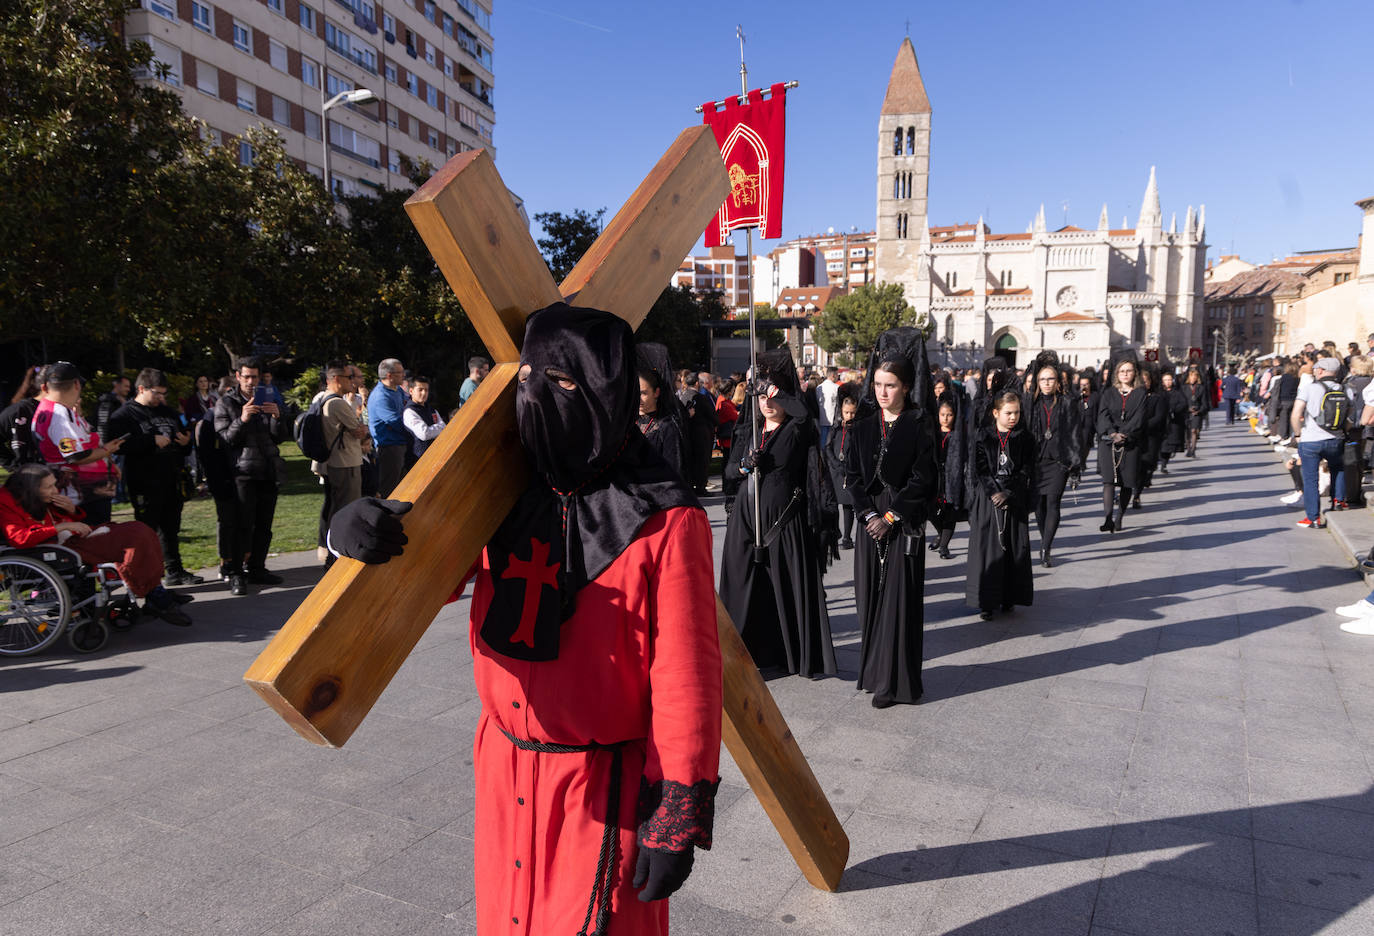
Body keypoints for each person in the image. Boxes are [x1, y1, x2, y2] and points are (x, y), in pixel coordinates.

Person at [328, 302, 722, 936]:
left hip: (603, 789)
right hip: (506, 764)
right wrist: (354, 533)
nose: (539, 395)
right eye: (530, 376)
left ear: (604, 392)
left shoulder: (666, 519)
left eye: (564, 383)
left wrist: (677, 807)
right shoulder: (501, 490)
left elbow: (688, 677)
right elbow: (432, 574)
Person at [720, 349, 836, 681]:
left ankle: (788, 654)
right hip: (746, 517)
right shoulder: (750, 430)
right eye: (760, 397)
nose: (767, 404)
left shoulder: (795, 428)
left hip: (783, 521)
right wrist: (745, 464)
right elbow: (731, 470)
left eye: (772, 397)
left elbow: (803, 413)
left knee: (781, 587)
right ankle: (738, 653)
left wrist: (775, 389)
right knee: (745, 586)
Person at [844, 329, 937, 707]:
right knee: (870, 599)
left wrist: (892, 516)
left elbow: (924, 477)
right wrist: (868, 513)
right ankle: (873, 673)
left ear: (907, 386)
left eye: (891, 385)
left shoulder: (919, 423)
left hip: (903, 518)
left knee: (898, 602)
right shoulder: (864, 424)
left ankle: (894, 684)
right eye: (879, 384)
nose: (883, 392)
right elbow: (851, 474)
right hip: (869, 520)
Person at [0, 464, 191, 626]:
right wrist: (63, 525)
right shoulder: (8, 502)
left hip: (70, 538)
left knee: (140, 529)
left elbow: (67, 519)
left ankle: (154, 591)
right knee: (135, 538)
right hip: (55, 548)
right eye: (48, 487)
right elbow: (20, 537)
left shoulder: (36, 498)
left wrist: (70, 509)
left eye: (54, 485)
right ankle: (155, 595)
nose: (55, 491)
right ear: (31, 489)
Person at [107, 368, 201, 587]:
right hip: (144, 481)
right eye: (156, 393)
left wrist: (186, 444)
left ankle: (174, 570)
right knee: (147, 530)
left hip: (171, 478)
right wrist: (150, 441)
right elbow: (116, 446)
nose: (161, 398)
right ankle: (149, 578)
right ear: (141, 389)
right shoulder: (123, 415)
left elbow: (182, 437)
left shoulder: (167, 412)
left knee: (171, 528)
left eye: (163, 394)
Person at [214, 357, 288, 595]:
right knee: (242, 525)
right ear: (237, 376)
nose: (250, 381)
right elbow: (225, 438)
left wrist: (277, 417)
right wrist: (242, 419)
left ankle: (257, 567)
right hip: (243, 473)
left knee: (264, 526)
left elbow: (280, 437)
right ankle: (236, 572)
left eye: (254, 377)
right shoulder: (227, 403)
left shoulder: (267, 397)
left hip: (268, 470)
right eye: (245, 376)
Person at [966, 390, 1034, 619]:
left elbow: (1026, 468)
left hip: (1013, 497)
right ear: (996, 413)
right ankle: (986, 601)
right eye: (1008, 413)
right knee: (988, 549)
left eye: (1016, 413)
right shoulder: (983, 435)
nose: (1013, 417)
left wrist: (1008, 492)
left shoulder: (1024, 437)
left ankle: (1009, 597)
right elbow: (980, 467)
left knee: (1012, 548)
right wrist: (994, 491)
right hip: (988, 498)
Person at [32, 362, 123, 524]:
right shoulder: (58, 413)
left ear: (46, 387)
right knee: (95, 540)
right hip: (83, 497)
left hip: (83, 492)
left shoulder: (54, 409)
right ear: (76, 384)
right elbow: (75, 456)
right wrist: (107, 450)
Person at [1023, 352, 1081, 567]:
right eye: (1043, 379)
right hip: (1036, 462)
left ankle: (1046, 547)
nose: (1047, 383)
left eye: (1051, 379)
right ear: (1037, 381)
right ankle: (1044, 538)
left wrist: (1074, 463)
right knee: (1039, 506)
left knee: (1053, 503)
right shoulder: (1031, 403)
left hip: (1059, 461)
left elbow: (1076, 433)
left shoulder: (1067, 403)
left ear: (1058, 382)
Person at [314, 363, 371, 567]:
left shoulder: (322, 399)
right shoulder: (337, 403)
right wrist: (360, 425)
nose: (353, 381)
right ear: (337, 379)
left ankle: (333, 553)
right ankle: (337, 555)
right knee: (345, 510)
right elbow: (360, 429)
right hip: (345, 463)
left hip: (336, 462)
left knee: (336, 507)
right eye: (349, 377)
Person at [1291, 356, 1348, 528]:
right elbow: (1349, 417)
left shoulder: (1309, 388)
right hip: (1335, 438)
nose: (1314, 371)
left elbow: (1295, 414)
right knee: (1338, 468)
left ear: (1321, 370)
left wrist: (1298, 434)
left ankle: (1313, 517)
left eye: (1316, 369)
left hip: (1310, 439)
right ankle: (1338, 500)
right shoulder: (1346, 389)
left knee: (1310, 479)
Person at [1096, 354, 1146, 533]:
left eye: (1128, 371)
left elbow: (1139, 417)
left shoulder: (1140, 393)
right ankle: (1108, 517)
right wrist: (1111, 432)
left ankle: (1119, 517)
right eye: (1121, 371)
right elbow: (1103, 414)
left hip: (1130, 443)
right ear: (1116, 374)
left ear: (1134, 374)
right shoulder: (1108, 393)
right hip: (1109, 443)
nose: (1125, 374)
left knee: (1126, 483)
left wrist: (1124, 434)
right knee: (1108, 482)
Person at [635, 344, 689, 481]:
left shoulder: (667, 426)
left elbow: (674, 470)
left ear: (656, 393)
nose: (638, 399)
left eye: (643, 393)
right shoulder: (627, 423)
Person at [930, 391, 967, 560]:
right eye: (942, 414)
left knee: (950, 514)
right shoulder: (933, 434)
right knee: (932, 512)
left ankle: (944, 546)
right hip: (935, 480)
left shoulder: (958, 435)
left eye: (949, 415)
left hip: (952, 479)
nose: (945, 418)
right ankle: (940, 534)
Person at [824, 383, 861, 551]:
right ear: (841, 412)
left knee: (848, 505)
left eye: (853, 412)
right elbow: (828, 447)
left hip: (849, 471)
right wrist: (834, 463)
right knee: (833, 503)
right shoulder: (836, 428)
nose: (850, 415)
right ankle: (836, 531)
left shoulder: (858, 430)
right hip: (835, 471)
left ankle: (847, 536)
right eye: (847, 412)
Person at [367, 358, 409, 498]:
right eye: (400, 372)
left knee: (402, 487)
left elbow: (409, 406)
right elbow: (396, 422)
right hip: (390, 448)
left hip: (400, 444)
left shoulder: (397, 390)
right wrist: (416, 427)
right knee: (389, 489)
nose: (403, 375)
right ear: (389, 375)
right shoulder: (381, 396)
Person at [678, 372, 717, 497]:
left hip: (688, 434)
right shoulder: (700, 397)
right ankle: (701, 487)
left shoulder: (683, 397)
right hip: (701, 434)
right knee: (702, 460)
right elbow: (712, 416)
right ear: (696, 383)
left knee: (692, 460)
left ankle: (692, 484)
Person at [402, 375, 446, 463]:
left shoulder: (431, 409)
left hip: (435, 456)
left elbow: (445, 428)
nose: (424, 393)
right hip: (418, 460)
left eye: (426, 390)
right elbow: (424, 434)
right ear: (411, 391)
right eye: (420, 389)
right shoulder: (409, 412)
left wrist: (434, 429)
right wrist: (439, 427)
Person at [1157, 370, 1188, 475]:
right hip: (1161, 423)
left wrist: (1174, 410)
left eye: (1169, 379)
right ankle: (1160, 460)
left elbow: (1183, 404)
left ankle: (1164, 464)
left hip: (1174, 423)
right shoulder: (1159, 392)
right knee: (1160, 444)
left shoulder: (1178, 392)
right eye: (1165, 380)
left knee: (1169, 446)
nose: (1168, 382)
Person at [1182, 365, 1210, 456]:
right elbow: (1181, 401)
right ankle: (1188, 448)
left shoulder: (1201, 388)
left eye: (1194, 376)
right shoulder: (1184, 388)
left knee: (1194, 430)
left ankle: (1193, 449)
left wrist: (1199, 411)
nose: (1193, 378)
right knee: (1187, 431)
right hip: (1186, 412)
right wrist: (1187, 408)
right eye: (1191, 376)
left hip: (1197, 412)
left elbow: (1204, 402)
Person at [95, 375, 130, 442]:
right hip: (110, 444)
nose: (128, 389)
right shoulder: (106, 401)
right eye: (126, 386)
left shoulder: (125, 401)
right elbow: (103, 425)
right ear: (116, 385)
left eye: (129, 387)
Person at [816, 367, 841, 446]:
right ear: (833, 375)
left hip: (820, 418)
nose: (838, 377)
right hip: (832, 419)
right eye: (837, 375)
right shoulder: (836, 388)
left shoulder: (818, 388)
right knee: (829, 443)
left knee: (822, 441)